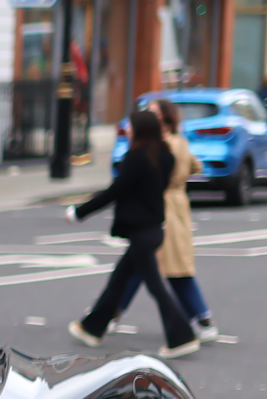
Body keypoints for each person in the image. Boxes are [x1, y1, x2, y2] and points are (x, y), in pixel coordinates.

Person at [65, 107, 200, 356]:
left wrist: (80, 212)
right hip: (153, 229)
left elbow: (115, 192)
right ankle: (92, 328)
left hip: (141, 233)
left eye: (130, 126)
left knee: (155, 286)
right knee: (118, 280)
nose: (126, 130)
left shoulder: (136, 159)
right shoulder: (165, 156)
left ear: (140, 130)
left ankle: (182, 337)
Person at [114, 99, 221, 341]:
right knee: (141, 264)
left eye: (153, 112)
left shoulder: (163, 146)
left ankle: (202, 319)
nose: (148, 116)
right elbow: (197, 166)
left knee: (171, 268)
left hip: (164, 207)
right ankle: (112, 312)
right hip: (175, 205)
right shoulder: (180, 143)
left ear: (164, 118)